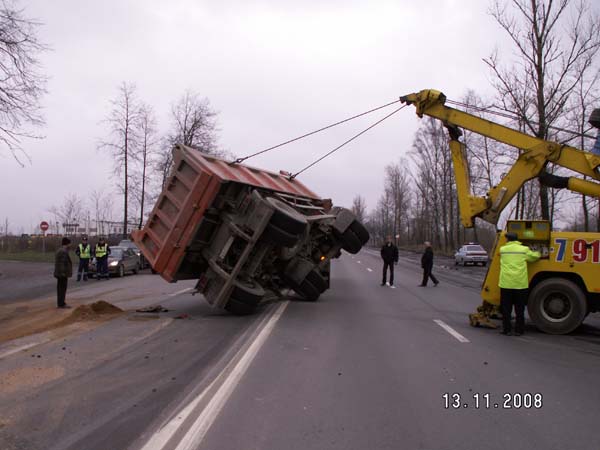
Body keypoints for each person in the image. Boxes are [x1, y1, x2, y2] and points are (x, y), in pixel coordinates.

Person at [499, 232, 541, 336]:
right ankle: (519, 330)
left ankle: (506, 330)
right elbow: (534, 257)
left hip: (506, 284)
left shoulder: (503, 250)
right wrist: (538, 252)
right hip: (520, 284)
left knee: (506, 309)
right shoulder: (524, 250)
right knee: (519, 309)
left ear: (508, 240)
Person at [54, 237, 73, 308]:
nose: (70, 245)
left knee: (60, 288)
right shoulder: (63, 252)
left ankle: (61, 303)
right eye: (69, 243)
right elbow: (62, 263)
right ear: (67, 244)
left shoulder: (61, 250)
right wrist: (63, 273)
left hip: (60, 274)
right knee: (62, 289)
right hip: (62, 274)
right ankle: (61, 304)